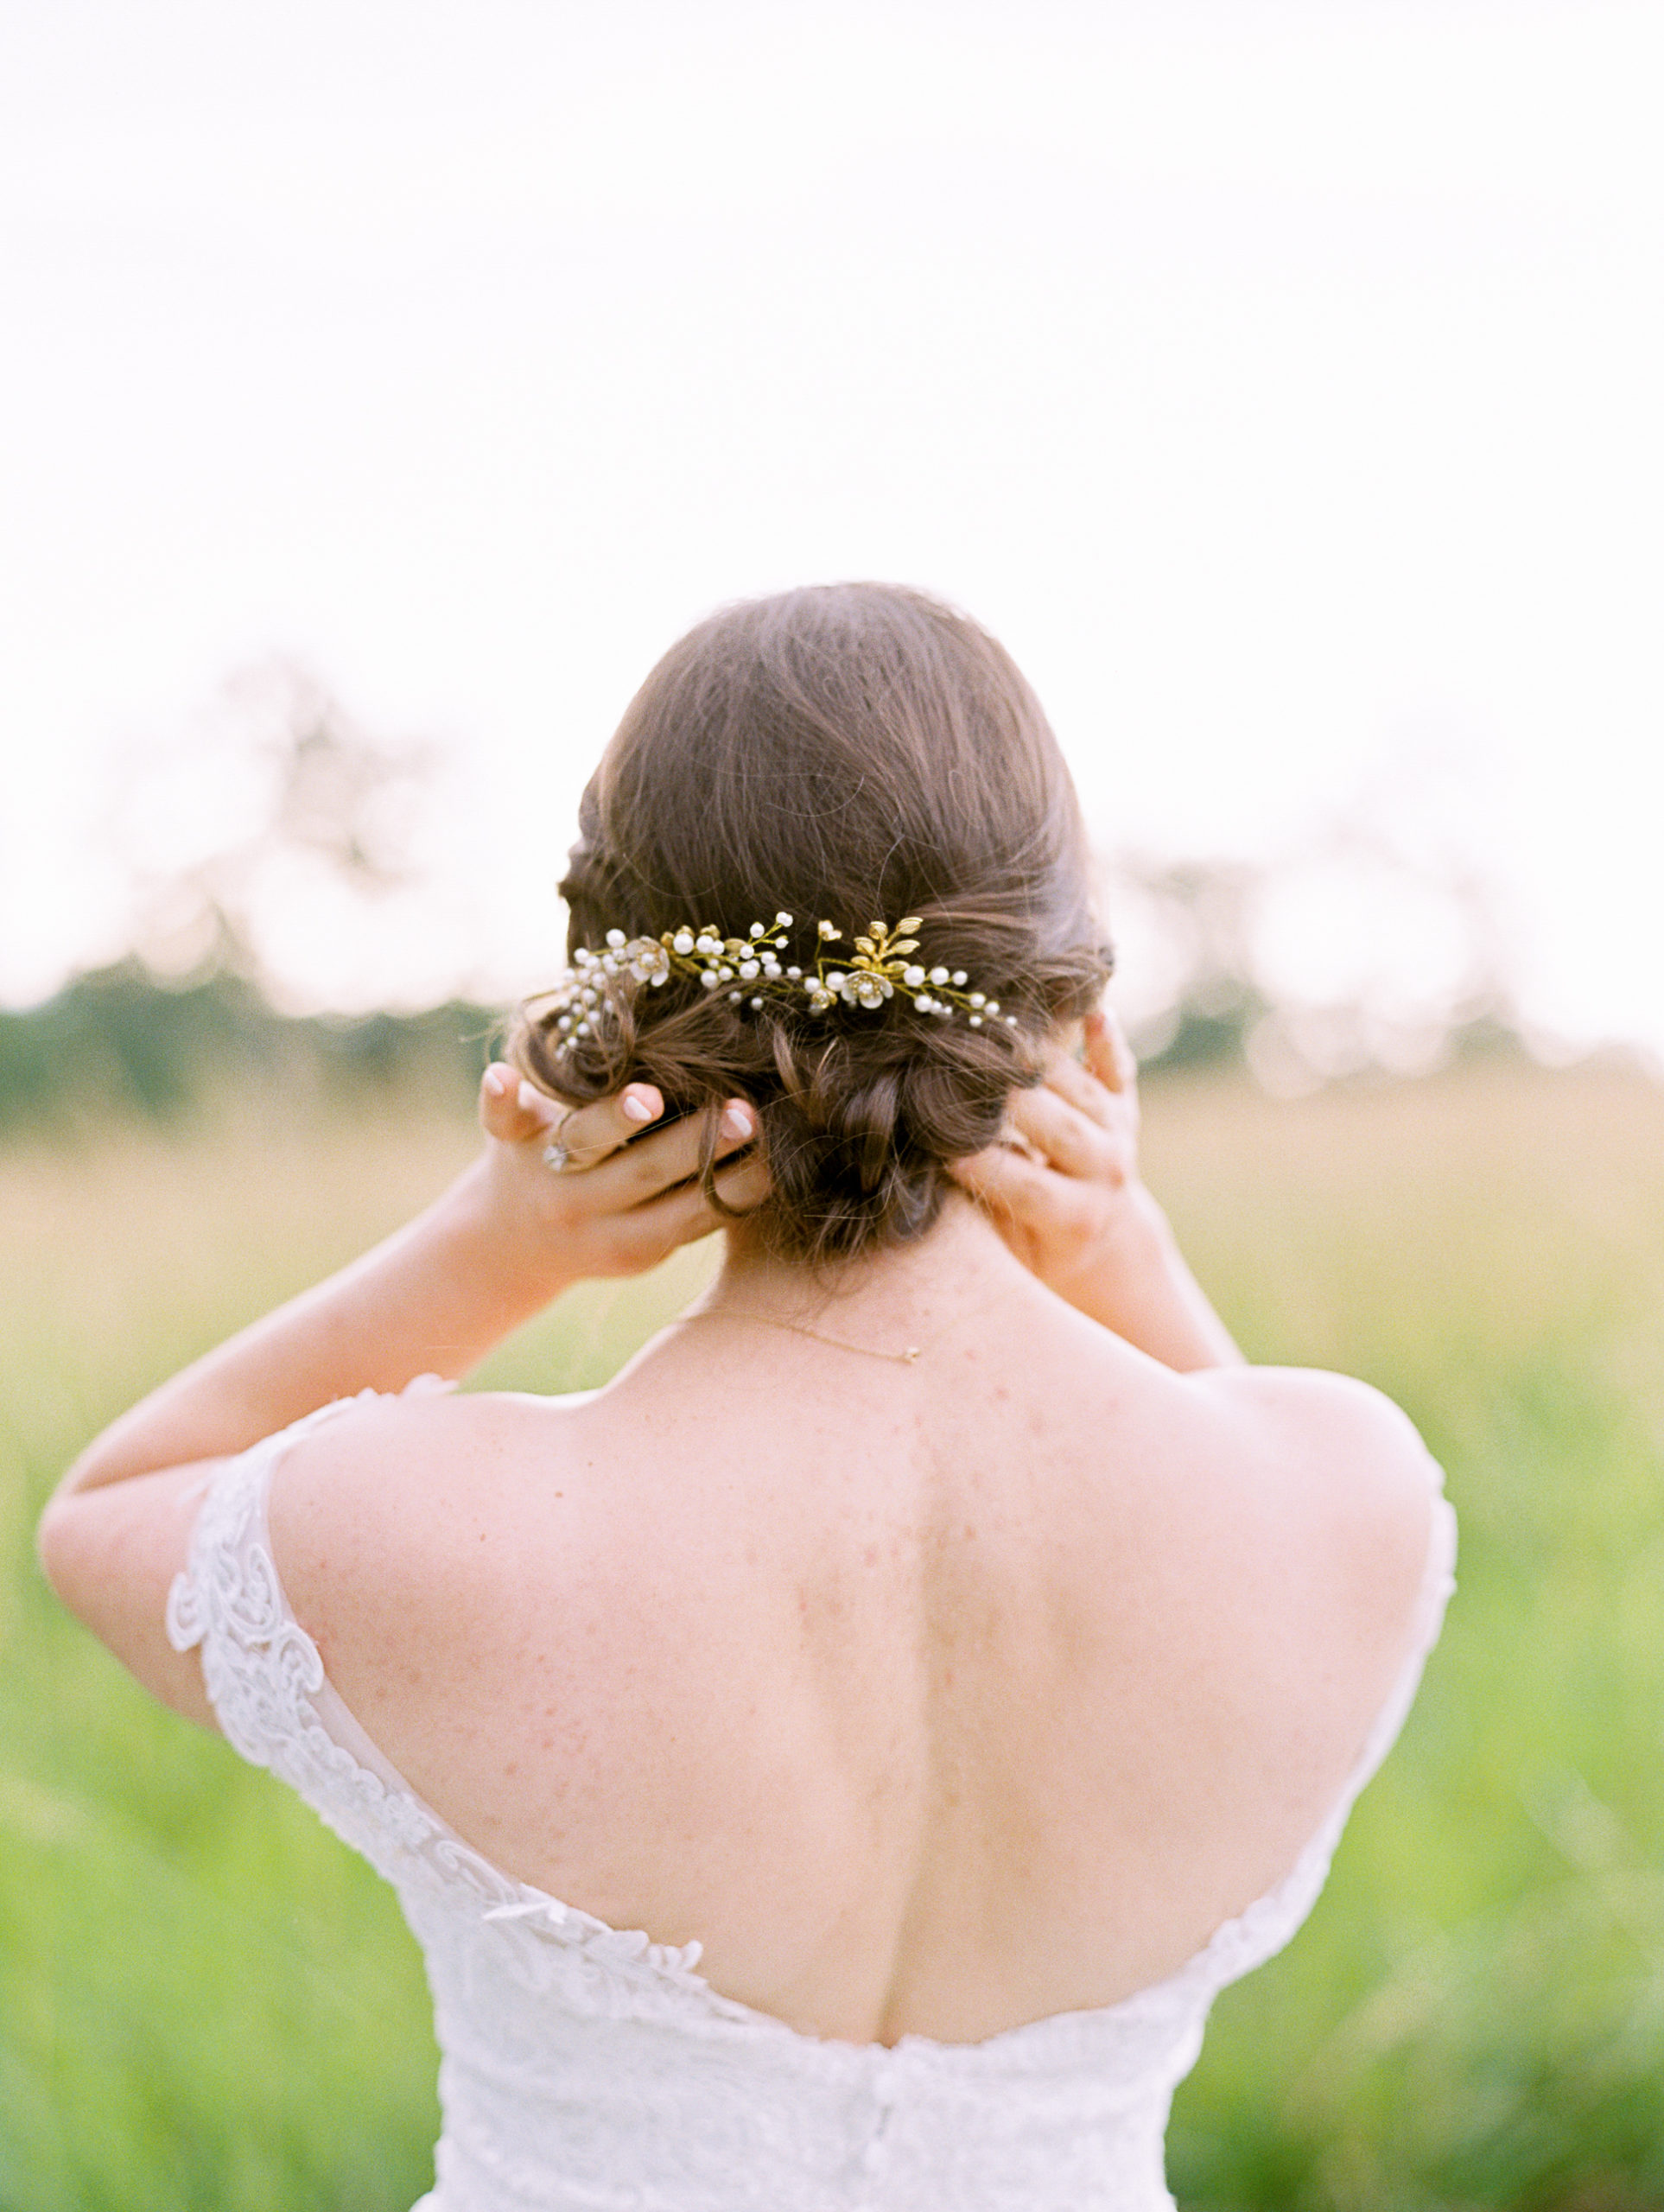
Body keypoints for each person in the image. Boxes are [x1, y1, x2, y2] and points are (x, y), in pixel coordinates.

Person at [39, 583, 1454, 2211]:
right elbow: (1247, 1456)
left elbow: (103, 1516)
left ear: (615, 1014)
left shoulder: (435, 1525)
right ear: (1071, 1019)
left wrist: (497, 1248)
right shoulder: (1341, 1495)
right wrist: (1122, 1253)